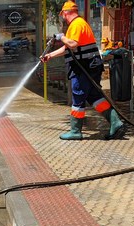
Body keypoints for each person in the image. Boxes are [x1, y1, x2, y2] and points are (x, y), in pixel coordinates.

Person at [41, 1, 126, 140]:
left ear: (67, 12)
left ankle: (75, 131)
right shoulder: (79, 24)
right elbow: (68, 47)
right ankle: (116, 123)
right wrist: (50, 55)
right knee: (94, 97)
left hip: (84, 68)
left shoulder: (76, 24)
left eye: (63, 14)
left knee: (78, 96)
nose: (63, 17)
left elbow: (72, 44)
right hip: (89, 66)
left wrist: (61, 36)